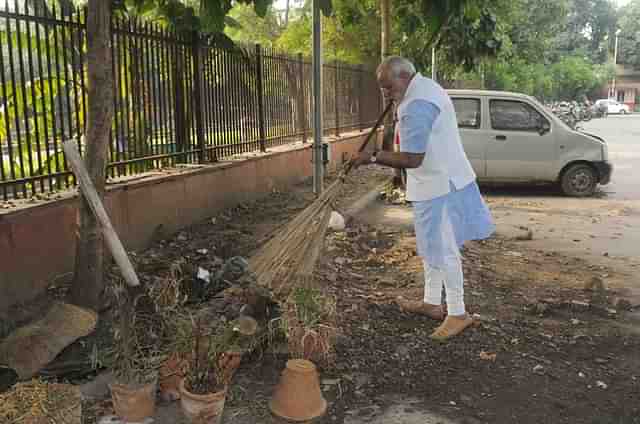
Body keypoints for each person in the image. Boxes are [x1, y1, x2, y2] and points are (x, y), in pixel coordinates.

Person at [350, 56, 495, 340]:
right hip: (434, 183)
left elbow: (413, 158)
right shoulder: (423, 88)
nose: (386, 93)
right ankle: (431, 302)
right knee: (431, 245)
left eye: (388, 87)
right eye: (383, 89)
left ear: (404, 77)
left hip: (442, 185)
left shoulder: (417, 105)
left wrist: (372, 157)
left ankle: (457, 312)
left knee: (445, 248)